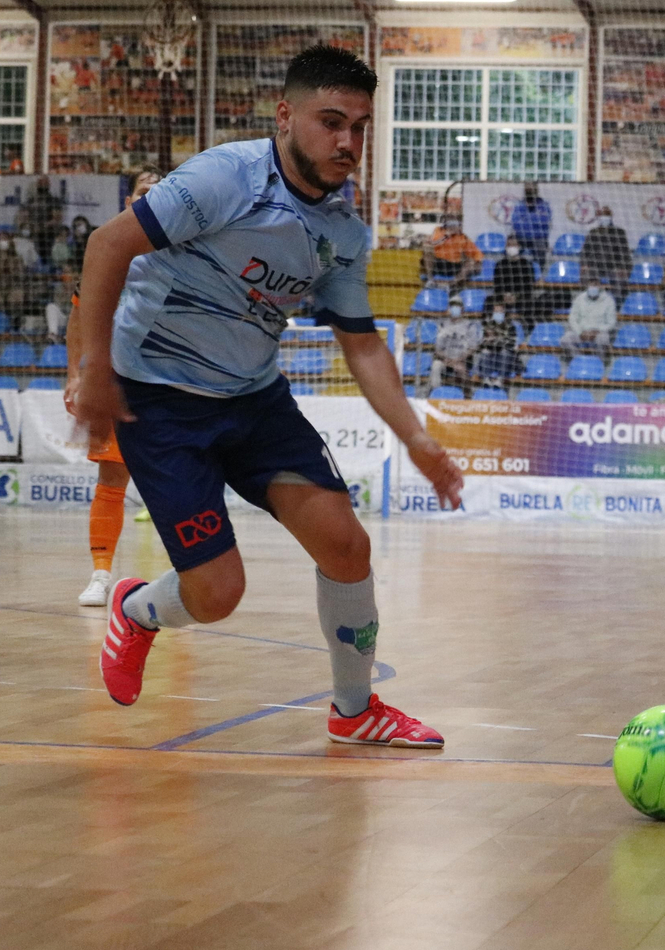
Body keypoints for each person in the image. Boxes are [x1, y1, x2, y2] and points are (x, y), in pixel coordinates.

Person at [72, 45, 462, 746]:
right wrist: (90, 367)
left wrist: (417, 437)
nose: (347, 142)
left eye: (360, 127)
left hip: (254, 398)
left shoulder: (342, 231)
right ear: (285, 115)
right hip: (158, 400)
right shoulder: (226, 177)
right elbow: (107, 246)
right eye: (330, 121)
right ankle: (136, 610)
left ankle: (354, 711)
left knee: (347, 546)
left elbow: (362, 343)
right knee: (218, 595)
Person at [65, 169, 161, 607]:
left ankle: (184, 571)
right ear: (128, 200)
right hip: (119, 381)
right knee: (111, 480)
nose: (151, 197)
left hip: (170, 382)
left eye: (161, 191)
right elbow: (78, 315)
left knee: (176, 479)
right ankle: (101, 574)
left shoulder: (185, 249)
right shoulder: (107, 247)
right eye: (144, 191)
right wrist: (75, 374)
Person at [431, 298, 482, 395]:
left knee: (461, 370)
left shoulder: (470, 325)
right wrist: (446, 358)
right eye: (452, 306)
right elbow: (437, 349)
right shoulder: (442, 325)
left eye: (457, 307)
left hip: (462, 360)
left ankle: (468, 396)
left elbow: (473, 348)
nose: (454, 309)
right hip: (445, 359)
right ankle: (436, 394)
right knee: (435, 366)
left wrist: (458, 359)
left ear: (462, 309)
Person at [490, 239, 543, 329]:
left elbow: (528, 286)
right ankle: (494, 330)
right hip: (503, 298)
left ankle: (528, 332)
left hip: (521, 298)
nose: (511, 247)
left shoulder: (526, 264)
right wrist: (504, 296)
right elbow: (497, 285)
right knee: (490, 302)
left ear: (519, 247)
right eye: (509, 245)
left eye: (514, 245)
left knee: (530, 304)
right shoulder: (500, 264)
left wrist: (516, 296)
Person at [581, 206, 632, 298]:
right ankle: (590, 301)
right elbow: (585, 251)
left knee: (620, 277)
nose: (605, 218)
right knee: (587, 274)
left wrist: (624, 268)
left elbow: (625, 252)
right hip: (595, 266)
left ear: (611, 217)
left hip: (614, 267)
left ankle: (617, 304)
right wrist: (584, 264)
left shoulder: (619, 232)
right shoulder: (593, 232)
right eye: (602, 215)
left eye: (607, 215)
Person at [421, 214, 481, 289]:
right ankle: (430, 280)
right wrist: (446, 236)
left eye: (457, 226)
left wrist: (478, 261)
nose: (455, 227)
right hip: (438, 263)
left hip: (454, 265)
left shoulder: (463, 237)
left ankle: (451, 284)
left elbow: (476, 253)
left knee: (471, 262)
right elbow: (433, 243)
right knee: (428, 252)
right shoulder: (439, 230)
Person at [562, 281, 616, 361]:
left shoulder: (608, 300)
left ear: (600, 286)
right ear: (587, 285)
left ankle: (598, 363)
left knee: (603, 339)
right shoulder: (579, 298)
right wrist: (580, 332)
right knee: (565, 340)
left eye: (595, 284)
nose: (593, 287)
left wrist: (596, 331)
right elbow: (572, 319)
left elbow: (611, 322)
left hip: (598, 333)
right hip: (581, 333)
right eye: (591, 284)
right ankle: (578, 361)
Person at [473, 301, 519, 387]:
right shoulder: (486, 324)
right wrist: (492, 343)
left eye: (500, 311)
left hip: (504, 355)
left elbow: (512, 343)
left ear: (504, 312)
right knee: (484, 352)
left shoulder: (510, 326)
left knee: (504, 352)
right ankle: (486, 379)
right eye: (496, 311)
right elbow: (481, 342)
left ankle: (500, 379)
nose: (498, 313)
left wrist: (496, 342)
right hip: (490, 353)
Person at [509, 181, 552, 268]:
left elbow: (544, 222)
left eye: (531, 188)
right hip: (521, 238)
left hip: (538, 238)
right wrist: (533, 220)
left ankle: (540, 273)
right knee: (511, 246)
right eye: (527, 188)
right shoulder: (519, 205)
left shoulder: (544, 206)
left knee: (541, 247)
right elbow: (516, 223)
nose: (529, 190)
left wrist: (526, 219)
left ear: (536, 190)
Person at [20, 175, 63, 241]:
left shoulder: (54, 200)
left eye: (45, 182)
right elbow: (25, 218)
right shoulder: (30, 200)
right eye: (40, 182)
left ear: (48, 184)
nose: (42, 184)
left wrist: (41, 226)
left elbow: (57, 219)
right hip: (32, 235)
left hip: (49, 236)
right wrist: (31, 226)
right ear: (37, 184)